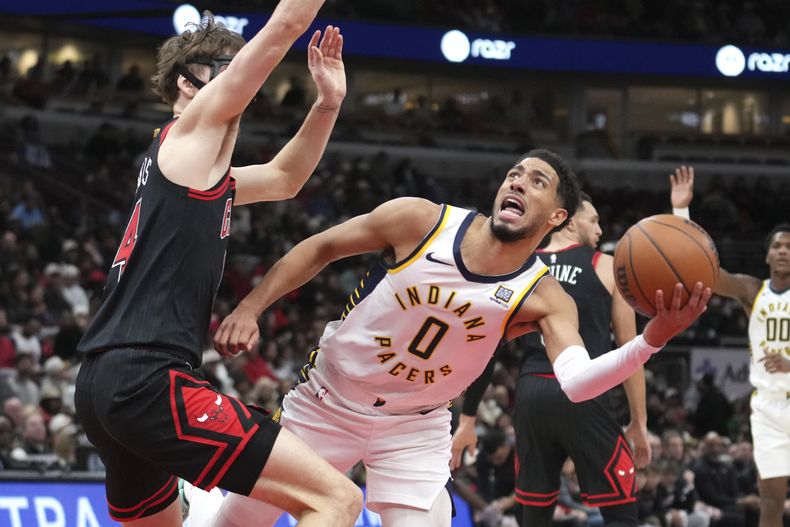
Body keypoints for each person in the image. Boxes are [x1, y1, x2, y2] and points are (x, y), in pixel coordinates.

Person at [205, 149, 711, 527]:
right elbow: (321, 247)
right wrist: (250, 307)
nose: (519, 182)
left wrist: (652, 339)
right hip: (328, 402)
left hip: (416, 427)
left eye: (538, 181)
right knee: (238, 522)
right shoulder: (421, 220)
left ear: (557, 216)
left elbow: (577, 384)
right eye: (515, 174)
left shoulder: (545, 296)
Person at [74, 4, 363, 526]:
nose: (245, 74)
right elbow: (286, 26)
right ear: (189, 83)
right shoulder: (189, 135)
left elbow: (284, 179)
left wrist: (327, 103)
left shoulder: (203, 172)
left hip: (105, 383)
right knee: (337, 501)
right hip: (147, 378)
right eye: (229, 66)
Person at [455, 192, 650, 526]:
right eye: (594, 220)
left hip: (532, 393)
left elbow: (487, 346)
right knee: (621, 510)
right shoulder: (606, 265)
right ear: (571, 221)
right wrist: (639, 422)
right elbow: (628, 350)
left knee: (533, 513)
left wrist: (468, 416)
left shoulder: (522, 265)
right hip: (586, 390)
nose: (600, 229)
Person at [671, 165, 789, 527]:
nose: (784, 251)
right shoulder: (754, 291)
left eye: (789, 247)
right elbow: (703, 271)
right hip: (769, 407)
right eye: (777, 246)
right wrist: (680, 213)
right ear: (767, 255)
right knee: (770, 502)